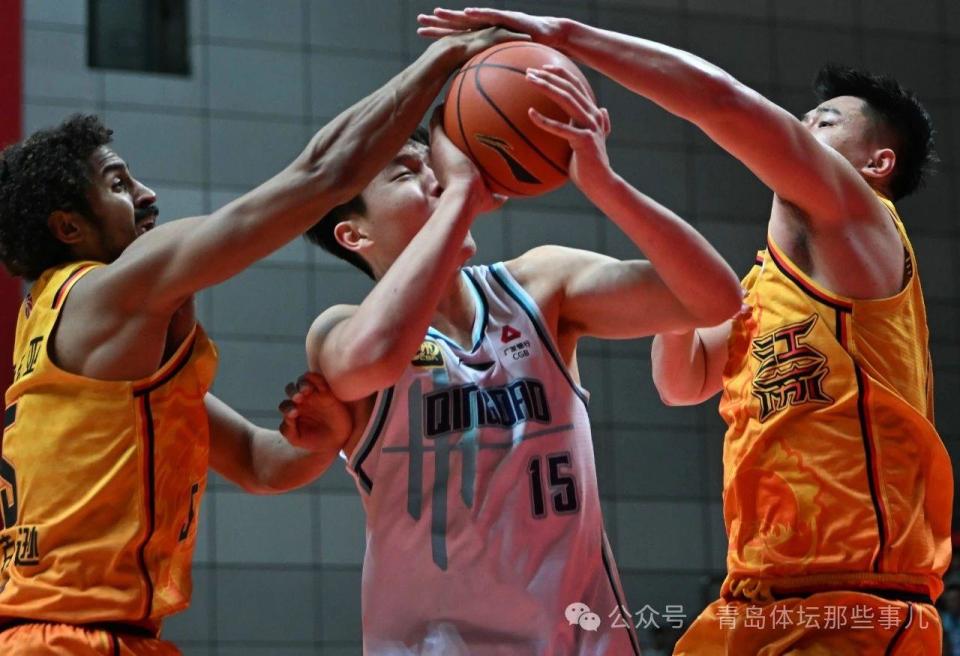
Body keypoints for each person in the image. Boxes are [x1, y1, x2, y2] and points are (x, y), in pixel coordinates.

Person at [417, 7, 951, 654]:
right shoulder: (755, 290)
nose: (800, 128)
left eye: (824, 122)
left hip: (857, 604)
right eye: (803, 119)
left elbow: (722, 102)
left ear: (877, 163)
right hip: (749, 602)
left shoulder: (866, 232)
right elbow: (680, 382)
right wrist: (609, 189)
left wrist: (563, 35)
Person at [0, 26, 519, 654]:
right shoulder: (108, 295)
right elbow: (323, 174)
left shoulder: (79, 343)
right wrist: (439, 64)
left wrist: (319, 442)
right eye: (117, 184)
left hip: (91, 636)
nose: (147, 195)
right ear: (68, 227)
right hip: (73, 643)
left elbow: (255, 460)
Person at [299, 50, 742, 651]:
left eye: (432, 164)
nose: (435, 175)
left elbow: (713, 298)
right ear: (355, 235)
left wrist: (604, 186)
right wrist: (457, 195)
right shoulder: (339, 330)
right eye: (407, 175)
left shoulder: (541, 285)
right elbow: (370, 359)